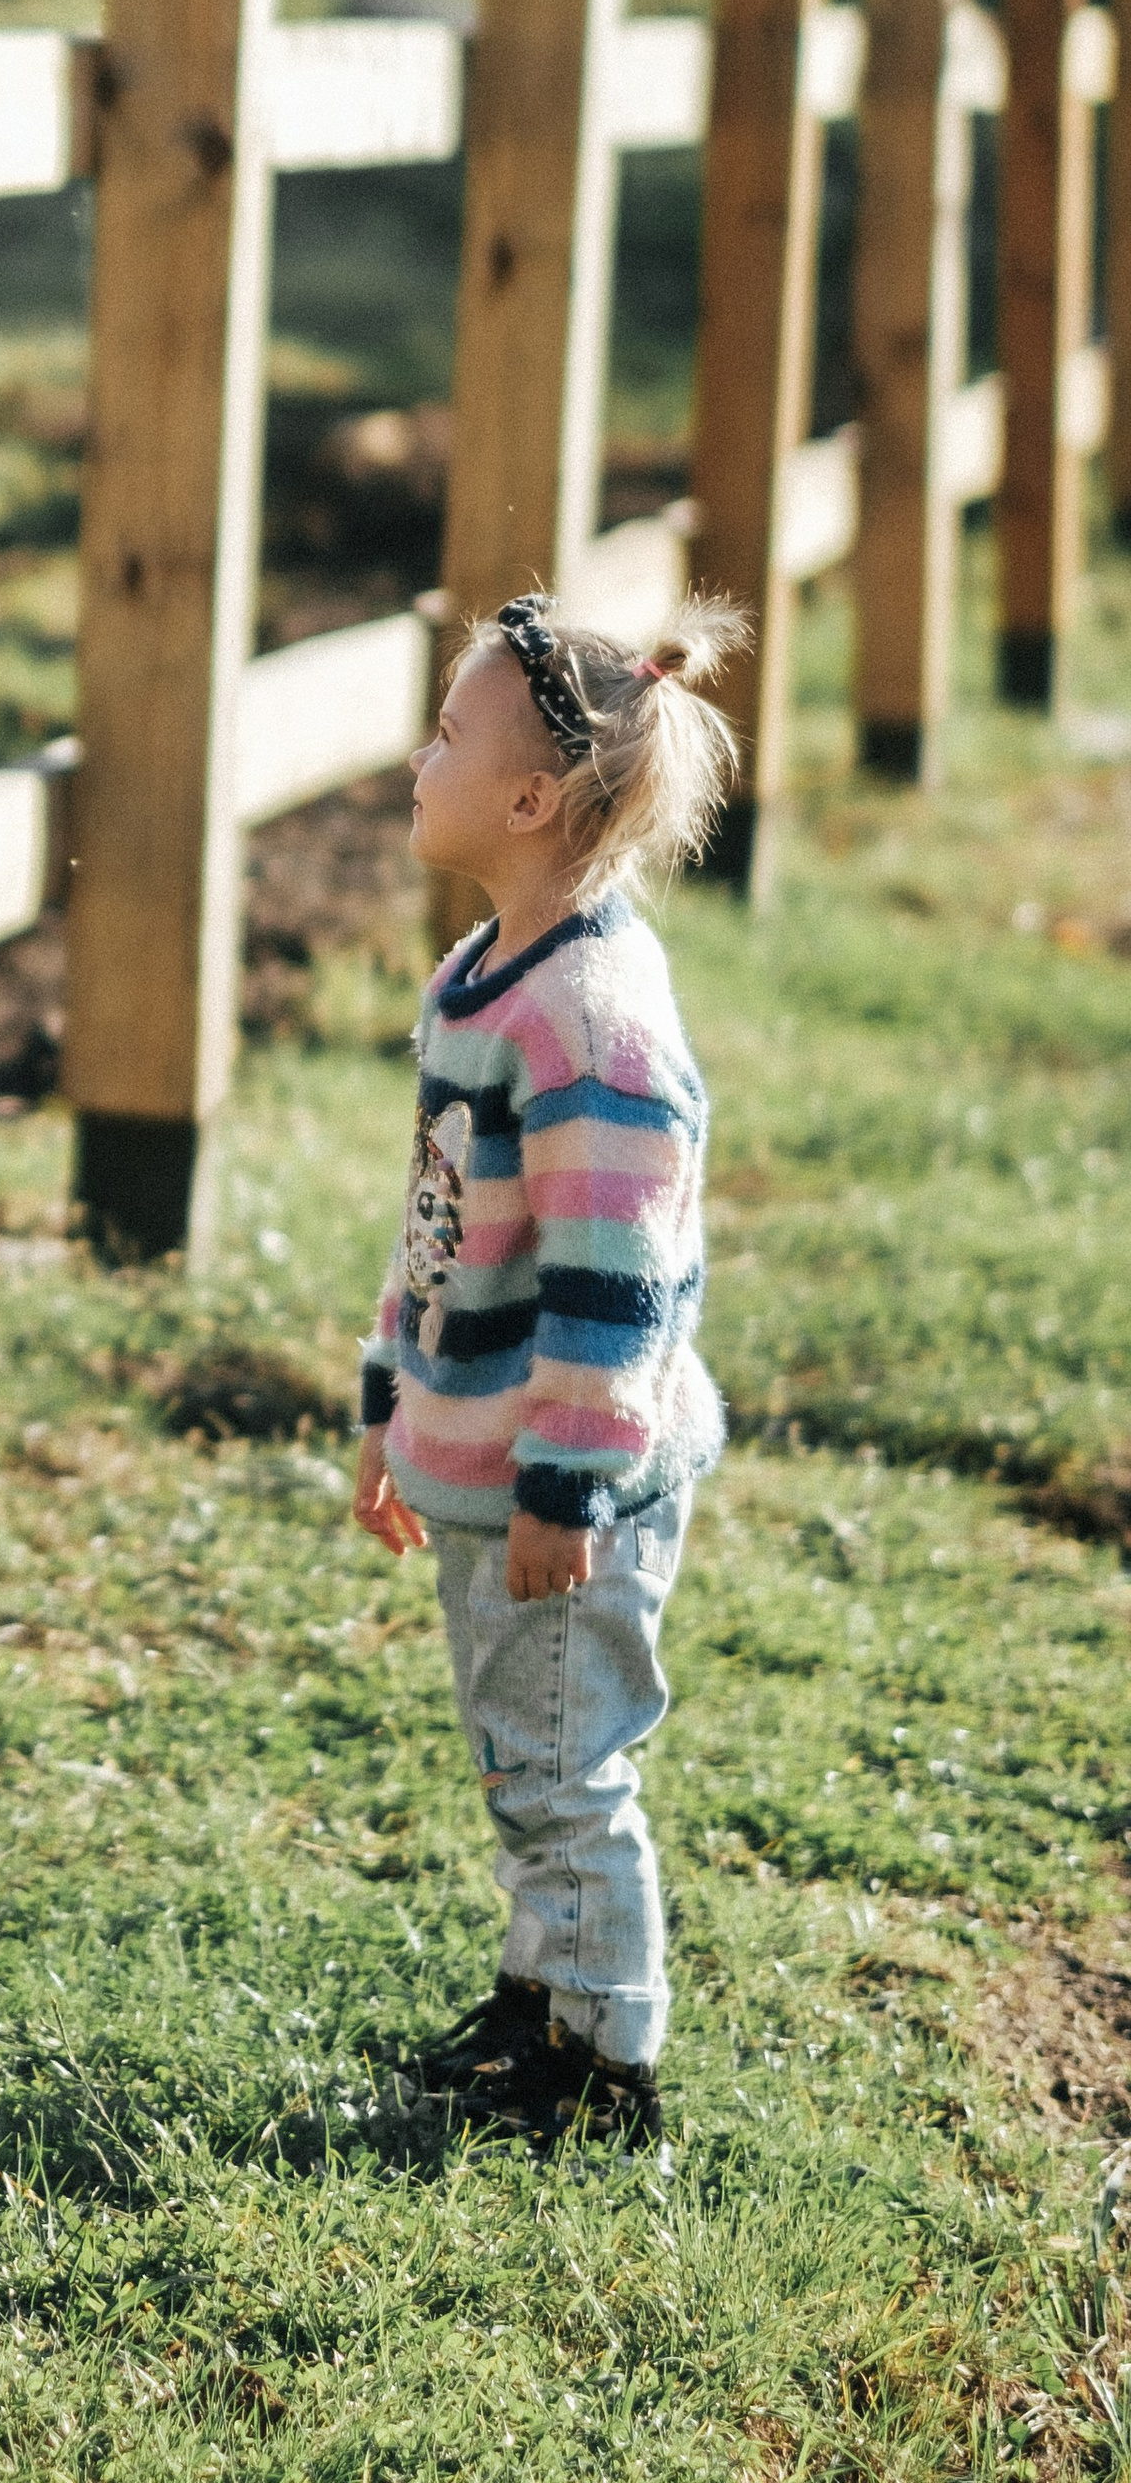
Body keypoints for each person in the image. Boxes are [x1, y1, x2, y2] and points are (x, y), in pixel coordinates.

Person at [352, 591, 745, 2159]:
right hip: (493, 1456)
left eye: (449, 732)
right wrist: (391, 1401)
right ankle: (542, 2003)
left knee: (566, 1762)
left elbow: (613, 1287)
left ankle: (601, 2073)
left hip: (563, 1487)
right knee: (528, 1755)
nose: (420, 752)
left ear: (529, 799)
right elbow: (444, 1228)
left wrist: (566, 1485)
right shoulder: (490, 970)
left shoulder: (589, 1025)